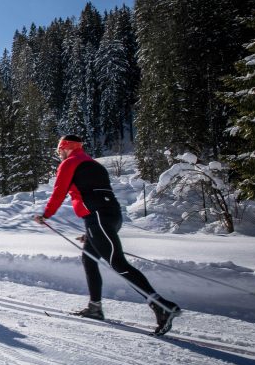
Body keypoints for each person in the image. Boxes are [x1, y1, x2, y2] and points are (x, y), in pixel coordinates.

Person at [33, 135, 181, 335]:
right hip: (109, 217)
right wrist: (92, 231)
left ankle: (161, 305)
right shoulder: (93, 164)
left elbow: (59, 192)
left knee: (119, 264)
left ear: (65, 147)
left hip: (98, 218)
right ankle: (95, 307)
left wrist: (45, 215)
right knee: (89, 258)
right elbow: (97, 194)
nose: (59, 154)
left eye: (59, 150)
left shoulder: (69, 163)